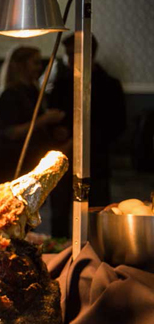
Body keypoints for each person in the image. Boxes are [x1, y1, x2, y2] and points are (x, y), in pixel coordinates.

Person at [0, 45, 71, 235]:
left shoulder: (32, 90)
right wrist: (45, 120)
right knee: (16, 214)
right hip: (16, 160)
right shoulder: (9, 94)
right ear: (20, 65)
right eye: (35, 62)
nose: (39, 67)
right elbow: (12, 131)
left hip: (33, 158)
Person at [47, 34, 127, 207]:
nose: (69, 60)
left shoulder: (109, 85)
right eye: (67, 54)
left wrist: (84, 137)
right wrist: (57, 130)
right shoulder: (61, 84)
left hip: (95, 158)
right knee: (59, 211)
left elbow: (118, 124)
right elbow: (52, 116)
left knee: (95, 210)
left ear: (88, 54)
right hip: (63, 159)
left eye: (73, 54)